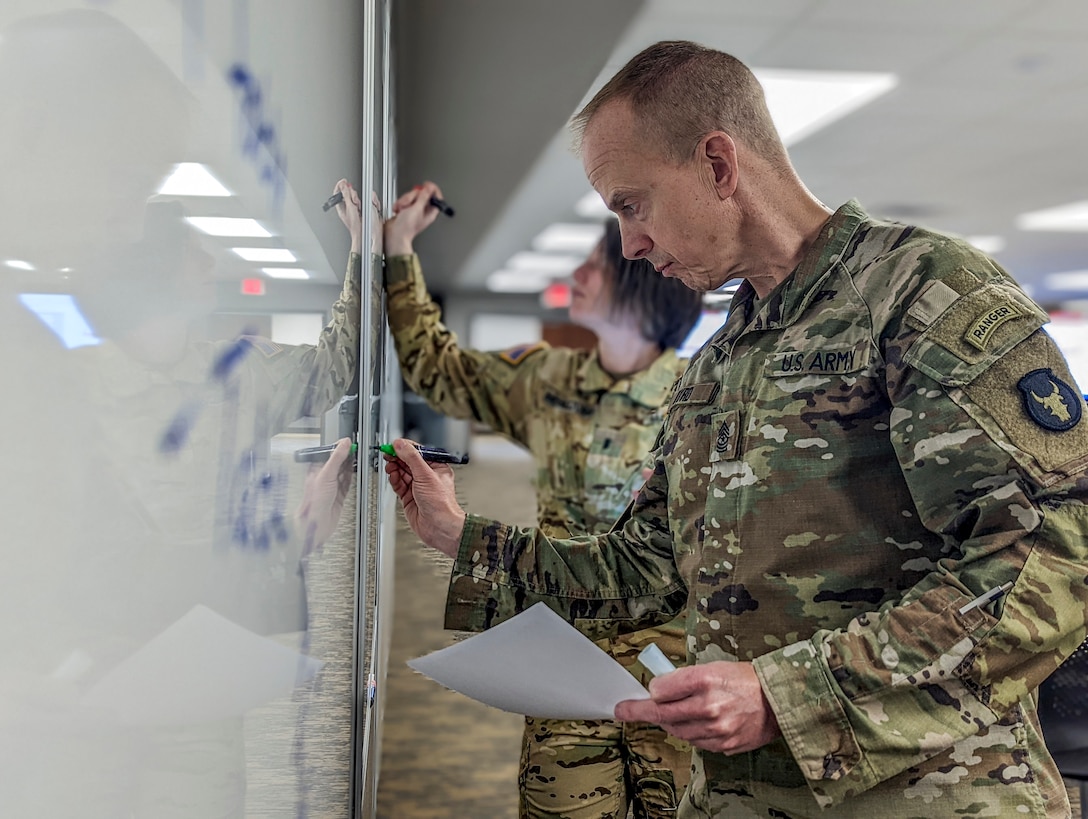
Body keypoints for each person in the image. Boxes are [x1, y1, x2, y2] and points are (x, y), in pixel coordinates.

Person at [383, 40, 1088, 819]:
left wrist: (788, 694)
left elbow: (1051, 561)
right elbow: (647, 568)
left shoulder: (919, 295)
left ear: (719, 166)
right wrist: (463, 537)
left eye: (631, 203)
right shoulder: (718, 362)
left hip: (926, 795)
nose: (630, 243)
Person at [360, 181, 703, 818]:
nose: (576, 273)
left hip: (672, 671)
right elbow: (436, 366)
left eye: (595, 265)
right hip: (561, 660)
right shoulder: (546, 378)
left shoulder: (700, 399)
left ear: (641, 284)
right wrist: (399, 251)